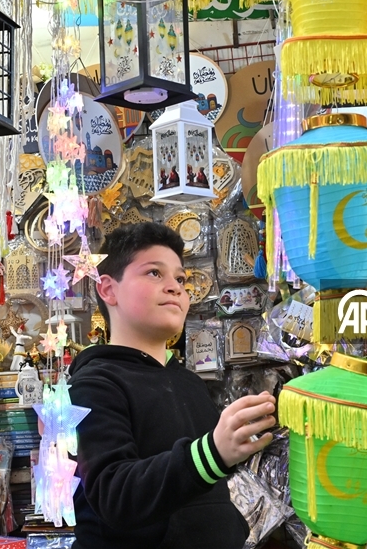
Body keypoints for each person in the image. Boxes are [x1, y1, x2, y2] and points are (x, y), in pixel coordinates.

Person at [70, 223, 275, 548]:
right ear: (108, 290)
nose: (175, 288)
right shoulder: (93, 385)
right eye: (154, 273)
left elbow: (205, 485)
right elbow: (113, 495)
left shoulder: (190, 383)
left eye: (180, 278)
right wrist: (213, 452)